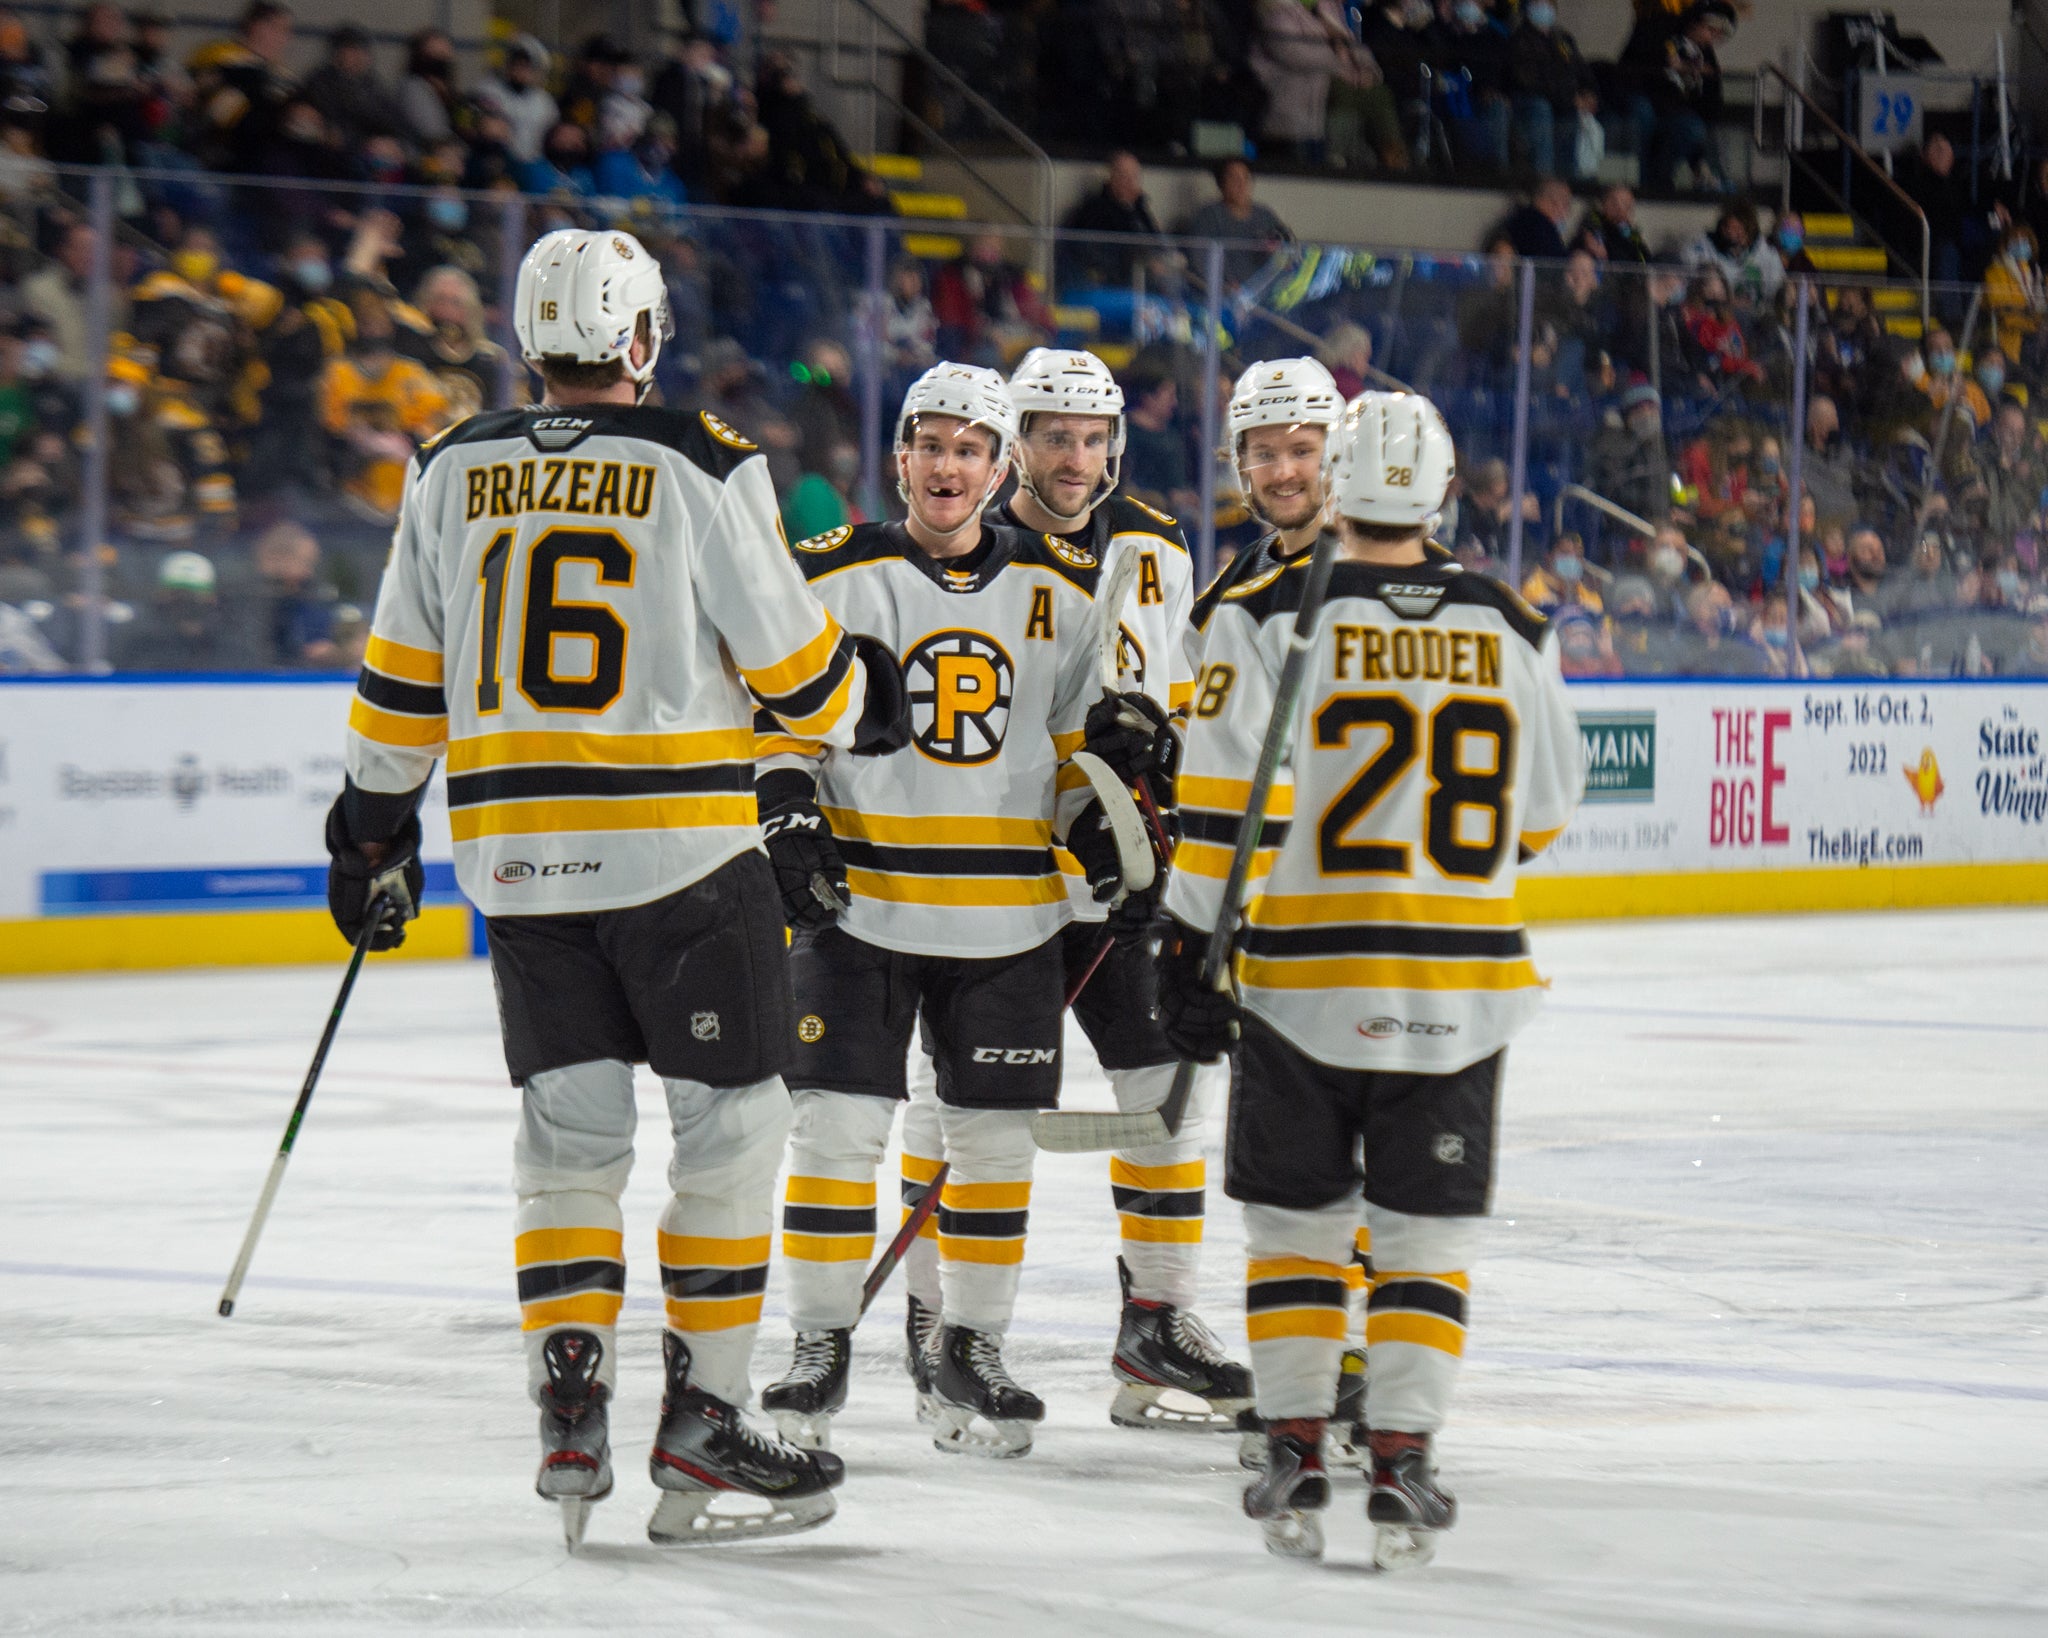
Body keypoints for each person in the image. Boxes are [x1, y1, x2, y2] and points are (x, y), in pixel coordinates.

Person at [326, 226, 907, 1547]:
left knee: (570, 1143)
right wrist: (870, 699)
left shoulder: (446, 464)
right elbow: (796, 673)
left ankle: (569, 1396)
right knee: (733, 1130)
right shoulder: (703, 460)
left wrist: (370, 827)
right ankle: (703, 1421)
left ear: (533, 342)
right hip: (687, 865)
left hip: (520, 870)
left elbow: (400, 679)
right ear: (641, 339)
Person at [1167, 390, 1583, 1566]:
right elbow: (1542, 816)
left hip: (1300, 978)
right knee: (1423, 1243)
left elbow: (1215, 810)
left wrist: (1186, 944)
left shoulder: (1263, 611)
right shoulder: (1511, 625)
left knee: (1295, 1230)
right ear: (1445, 491)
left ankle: (1293, 1447)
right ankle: (1401, 1459)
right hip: (1460, 989)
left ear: (1336, 488)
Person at [753, 364, 1126, 1458]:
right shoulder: (830, 571)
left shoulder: (1062, 585)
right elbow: (778, 722)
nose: (950, 466)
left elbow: (1064, 753)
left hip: (1007, 916)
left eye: (972, 449)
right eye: (932, 445)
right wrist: (785, 810)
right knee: (835, 1129)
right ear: (900, 456)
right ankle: (819, 1344)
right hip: (860, 902)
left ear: (999, 467)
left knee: (994, 1142)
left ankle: (974, 1345)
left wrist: (1095, 821)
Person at [964, 346, 1249, 1431]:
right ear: (1015, 439)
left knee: (1161, 1094)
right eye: (1051, 435)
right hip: (992, 882)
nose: (1072, 458)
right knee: (968, 1115)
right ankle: (943, 1321)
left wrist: (1157, 787)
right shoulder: (968, 541)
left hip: (1117, 879)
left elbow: (1166, 695)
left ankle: (1155, 1326)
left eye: (1090, 438)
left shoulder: (1153, 541)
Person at [1506, 0, 1596, 182]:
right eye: (1538, 4)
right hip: (1531, 102)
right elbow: (1528, 81)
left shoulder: (1564, 40)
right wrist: (1569, 98)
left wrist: (1588, 93)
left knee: (1572, 115)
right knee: (1542, 108)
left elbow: (1583, 71)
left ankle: (1568, 180)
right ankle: (1543, 178)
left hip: (1564, 102)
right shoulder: (1519, 40)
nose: (1544, 9)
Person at [1176, 158, 1294, 291]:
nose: (1241, 184)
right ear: (1221, 184)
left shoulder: (1265, 215)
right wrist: (1224, 286)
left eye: (1245, 178)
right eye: (1234, 179)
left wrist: (1278, 253)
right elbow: (1200, 260)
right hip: (1220, 295)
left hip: (1259, 296)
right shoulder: (1208, 216)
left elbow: (1286, 248)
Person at [1059, 151, 1164, 290]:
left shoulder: (1140, 211)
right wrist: (1142, 262)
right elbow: (1095, 257)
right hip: (1113, 285)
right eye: (1123, 176)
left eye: (1134, 177)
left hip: (1146, 282)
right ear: (1111, 177)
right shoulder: (1094, 210)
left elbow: (1157, 242)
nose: (1129, 182)